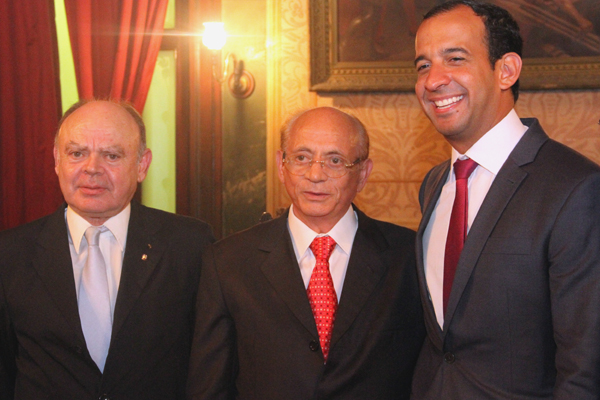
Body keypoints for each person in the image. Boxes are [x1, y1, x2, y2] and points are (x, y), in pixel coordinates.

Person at [411, 1, 600, 399]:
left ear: (507, 70)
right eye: (423, 65)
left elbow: (585, 365)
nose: (433, 81)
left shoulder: (575, 188)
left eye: (455, 58)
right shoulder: (434, 184)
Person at [186, 107, 425, 399]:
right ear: (280, 165)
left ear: (363, 174)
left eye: (335, 161)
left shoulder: (409, 256)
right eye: (302, 158)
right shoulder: (228, 263)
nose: (315, 175)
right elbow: (209, 387)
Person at [0, 99, 214, 399]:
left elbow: (211, 365)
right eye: (77, 153)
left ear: (142, 165)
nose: (91, 169)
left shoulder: (190, 245)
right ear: (57, 160)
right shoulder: (10, 255)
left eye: (111, 156)